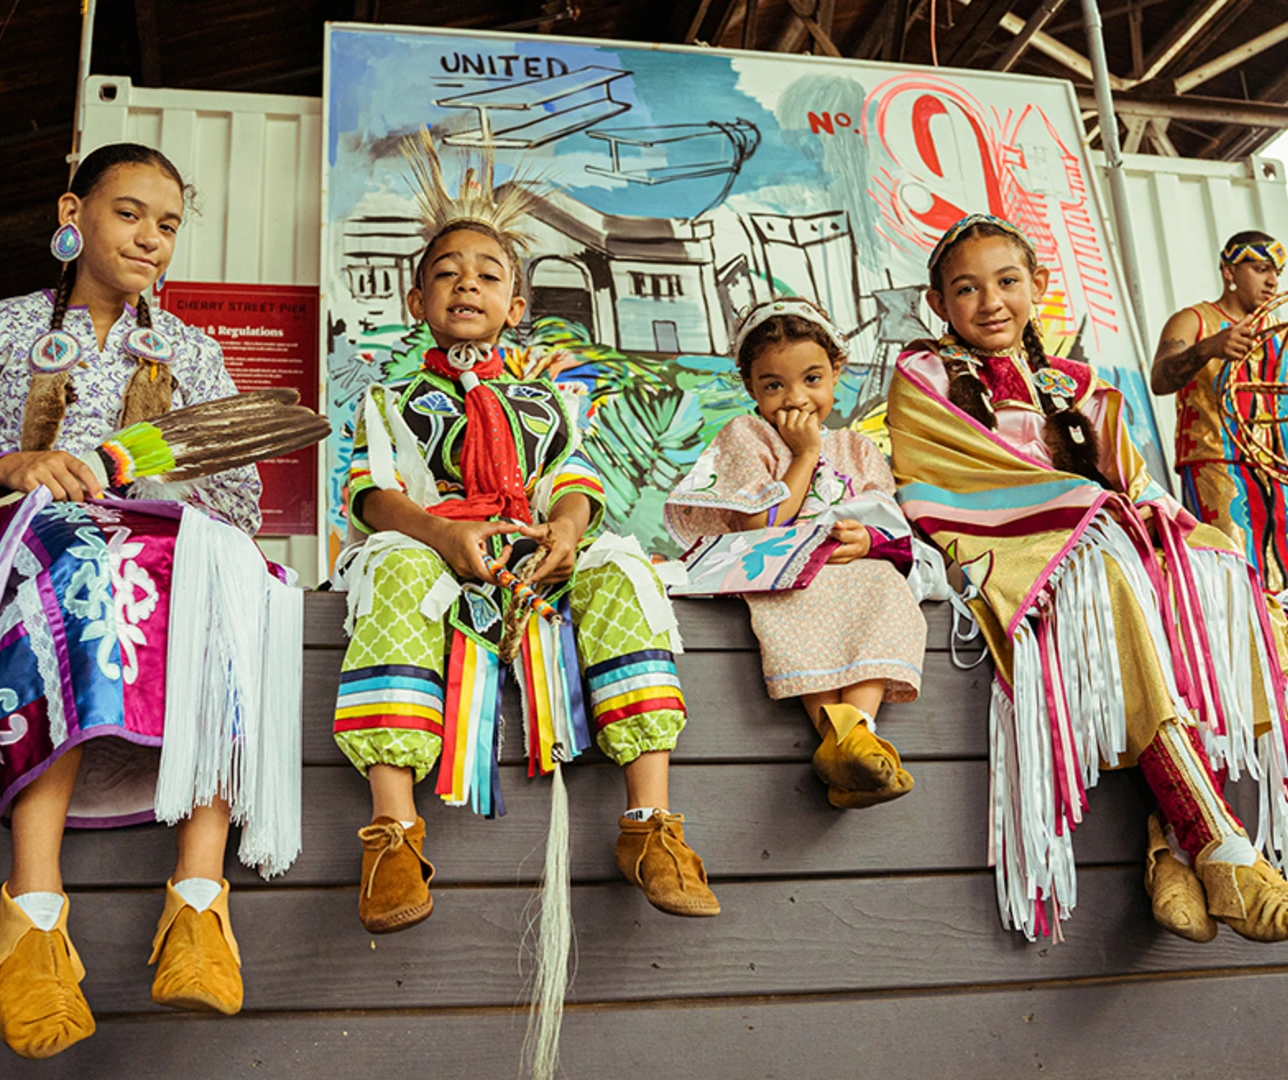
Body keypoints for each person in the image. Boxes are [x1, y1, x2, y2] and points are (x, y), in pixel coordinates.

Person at [0, 143, 303, 1059]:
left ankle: (198, 906)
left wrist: (140, 487)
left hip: (162, 544)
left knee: (235, 577)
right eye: (129, 212)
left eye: (168, 224)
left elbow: (240, 499)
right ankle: (31, 916)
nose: (150, 237)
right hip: (16, 538)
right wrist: (13, 465)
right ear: (75, 212)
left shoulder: (189, 350)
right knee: (79, 555)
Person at [334, 129, 719, 940]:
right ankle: (393, 833)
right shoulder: (389, 401)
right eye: (444, 274)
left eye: (487, 274)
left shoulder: (548, 403)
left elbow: (574, 485)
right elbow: (370, 493)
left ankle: (650, 823)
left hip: (530, 552)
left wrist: (568, 533)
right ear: (416, 304)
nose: (464, 284)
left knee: (622, 570)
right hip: (439, 547)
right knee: (396, 570)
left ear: (516, 305)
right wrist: (436, 531)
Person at [886, 213, 1288, 944]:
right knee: (1106, 575)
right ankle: (1219, 842)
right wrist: (1089, 511)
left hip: (1098, 543)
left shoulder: (1075, 381)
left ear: (1038, 286)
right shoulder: (923, 375)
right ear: (938, 303)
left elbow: (1132, 479)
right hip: (1010, 550)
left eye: (1008, 281)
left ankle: (1173, 845)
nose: (991, 301)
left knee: (1214, 570)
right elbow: (942, 477)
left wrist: (1158, 520)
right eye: (967, 289)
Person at [664, 297, 926, 808]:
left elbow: (889, 529)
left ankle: (852, 738)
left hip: (851, 570)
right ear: (751, 389)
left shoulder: (857, 447)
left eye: (812, 379)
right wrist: (804, 454)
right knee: (799, 600)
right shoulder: (748, 436)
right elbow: (764, 526)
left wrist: (869, 541)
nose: (795, 397)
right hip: (782, 571)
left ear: (837, 373)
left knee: (886, 590)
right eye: (773, 385)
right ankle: (849, 744)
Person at [1150, 231, 1286, 592]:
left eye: (1277, 272)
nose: (1273, 280)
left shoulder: (1276, 333)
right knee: (1232, 577)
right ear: (1229, 272)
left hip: (1276, 470)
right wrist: (1207, 348)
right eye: (1261, 269)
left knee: (1281, 578)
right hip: (1216, 464)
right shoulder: (1193, 320)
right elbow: (1160, 381)